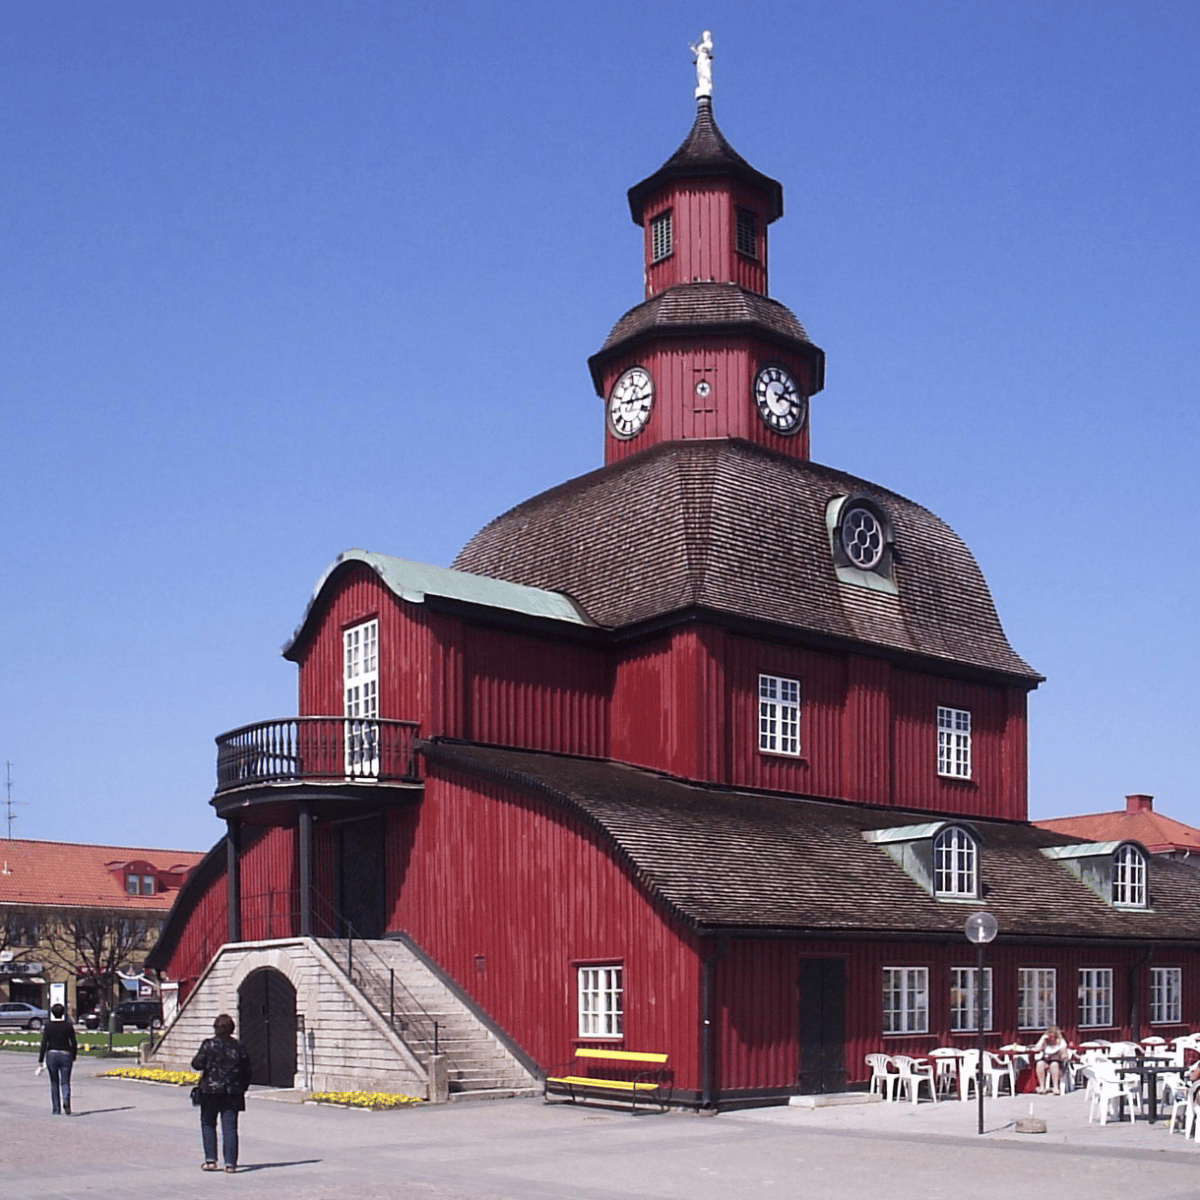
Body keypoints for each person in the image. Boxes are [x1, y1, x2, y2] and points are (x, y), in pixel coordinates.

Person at [191, 1013, 252, 1173]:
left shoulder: (208, 1045)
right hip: (232, 1092)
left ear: (216, 1029)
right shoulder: (239, 1046)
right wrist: (242, 1087)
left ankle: (210, 1160)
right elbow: (248, 1070)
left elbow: (196, 1064)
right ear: (232, 1029)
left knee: (208, 1124)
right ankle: (230, 1164)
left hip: (210, 1091)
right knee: (230, 1128)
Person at [36, 1003, 78, 1115]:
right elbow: (73, 1042)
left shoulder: (48, 1026)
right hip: (66, 1054)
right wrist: (74, 1055)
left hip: (52, 1054)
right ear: (63, 1013)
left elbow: (44, 1042)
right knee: (65, 1081)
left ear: (53, 1013)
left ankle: (56, 1109)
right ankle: (66, 1098)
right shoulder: (68, 1025)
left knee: (54, 1082)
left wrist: (41, 1058)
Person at [1033, 1024, 1070, 1093]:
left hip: (1058, 1062)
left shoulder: (1061, 1042)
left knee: (1054, 1065)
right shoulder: (1045, 1041)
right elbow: (1036, 1049)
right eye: (1050, 1036)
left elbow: (1064, 1053)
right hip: (1046, 1060)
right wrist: (1042, 1039)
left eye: (1054, 1036)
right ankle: (1042, 1087)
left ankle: (1055, 1087)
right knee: (1040, 1064)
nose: (1052, 1038)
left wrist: (1063, 1055)